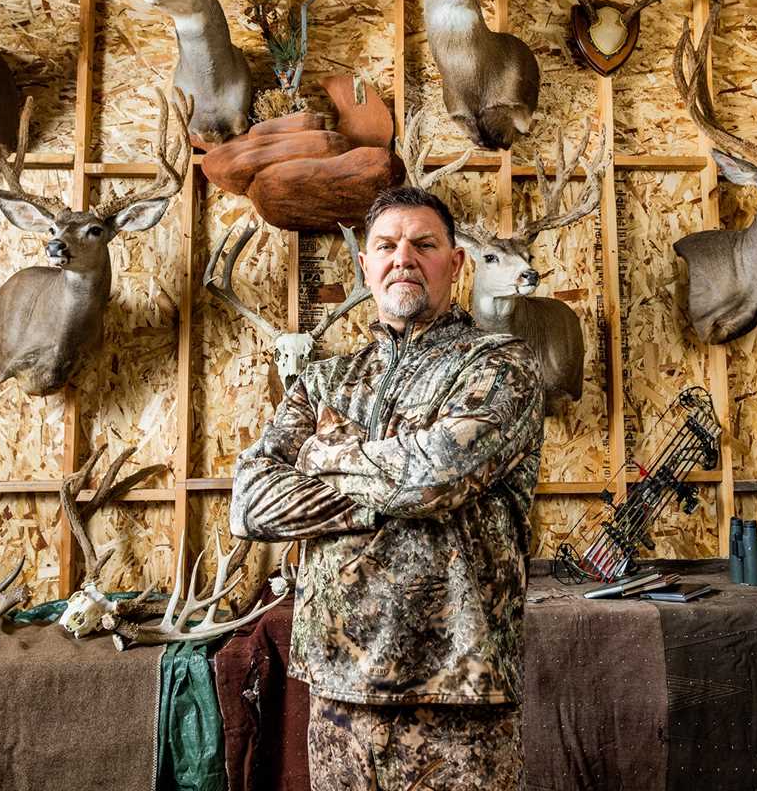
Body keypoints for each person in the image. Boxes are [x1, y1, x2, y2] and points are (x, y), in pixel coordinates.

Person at [229, 184, 545, 791]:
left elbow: (436, 477)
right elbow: (251, 503)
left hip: (459, 692)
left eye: (424, 244)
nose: (404, 257)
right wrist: (389, 492)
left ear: (455, 264)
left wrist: (325, 455)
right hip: (337, 694)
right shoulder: (326, 380)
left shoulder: (499, 365)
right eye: (387, 245)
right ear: (365, 265)